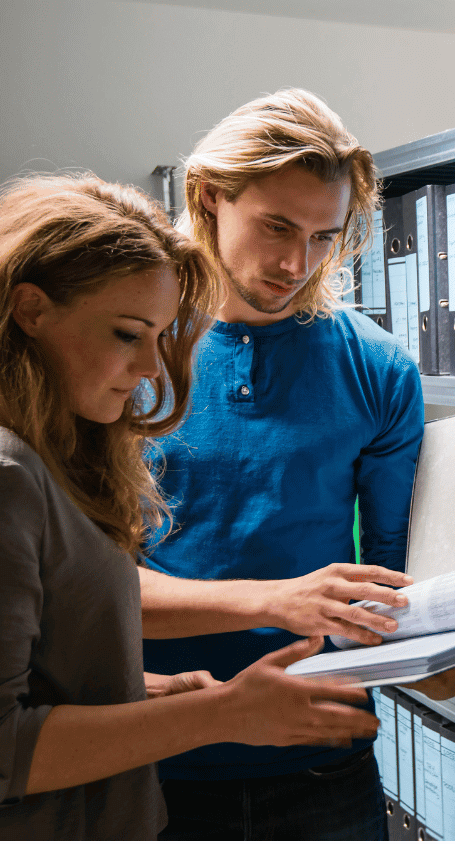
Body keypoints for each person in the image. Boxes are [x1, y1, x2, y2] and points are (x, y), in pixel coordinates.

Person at [138, 88, 455, 841]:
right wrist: (277, 599)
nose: (297, 262)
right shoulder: (133, 348)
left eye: (325, 237)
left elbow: (392, 589)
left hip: (321, 762)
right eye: (276, 227)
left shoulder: (380, 370)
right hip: (152, 757)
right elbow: (84, 587)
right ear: (209, 198)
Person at [0, 174, 385, 839]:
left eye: (159, 335)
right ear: (31, 310)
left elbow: (42, 670)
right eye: (127, 333)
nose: (153, 368)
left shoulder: (51, 455)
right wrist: (226, 714)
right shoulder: (8, 477)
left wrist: (143, 690)